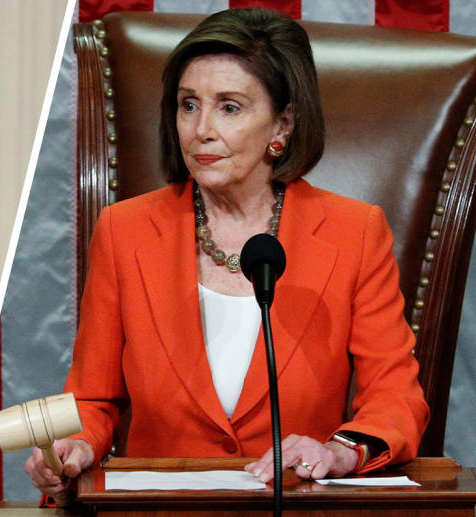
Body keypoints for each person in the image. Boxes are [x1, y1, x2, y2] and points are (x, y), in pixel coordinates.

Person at [24, 8, 428, 500]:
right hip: (160, 512)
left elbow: (395, 397)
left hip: (293, 506)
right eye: (188, 105)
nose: (201, 129)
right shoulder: (124, 231)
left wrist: (340, 451)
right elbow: (92, 398)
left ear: (284, 122)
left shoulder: (354, 233)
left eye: (230, 107)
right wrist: (75, 445)